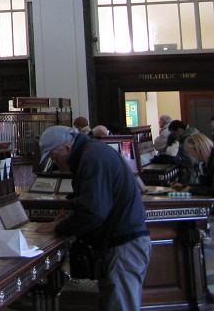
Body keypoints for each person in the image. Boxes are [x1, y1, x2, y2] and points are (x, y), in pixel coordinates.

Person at [36, 125, 150, 311]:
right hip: (119, 244)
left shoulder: (93, 157)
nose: (57, 165)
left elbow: (94, 212)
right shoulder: (91, 152)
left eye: (55, 159)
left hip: (123, 246)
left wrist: (60, 227)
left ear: (67, 148)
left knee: (120, 306)